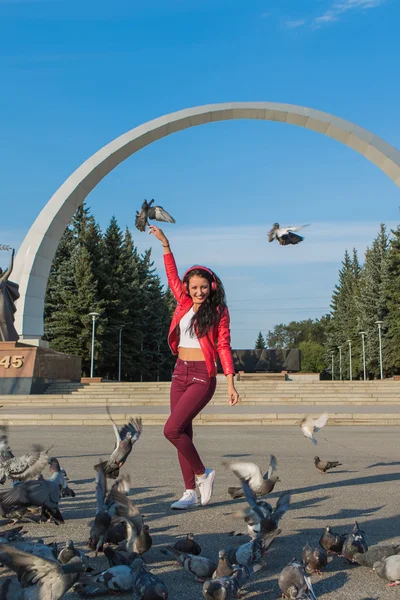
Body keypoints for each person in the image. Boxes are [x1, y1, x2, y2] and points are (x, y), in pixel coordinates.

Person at [149, 225, 239, 509]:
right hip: (180, 372)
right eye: (194, 287)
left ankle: (203, 473)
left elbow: (223, 345)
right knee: (183, 432)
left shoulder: (219, 311)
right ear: (188, 288)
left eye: (203, 287)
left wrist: (231, 383)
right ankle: (189, 492)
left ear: (211, 287)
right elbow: (171, 274)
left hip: (202, 376)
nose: (198, 291)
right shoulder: (183, 301)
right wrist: (165, 244)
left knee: (171, 429)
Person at [0, 249, 20, 342]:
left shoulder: (2, 280)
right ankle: (4, 341)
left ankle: (8, 341)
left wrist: (11, 257)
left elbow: (10, 269)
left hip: (2, 303)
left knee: (4, 322)